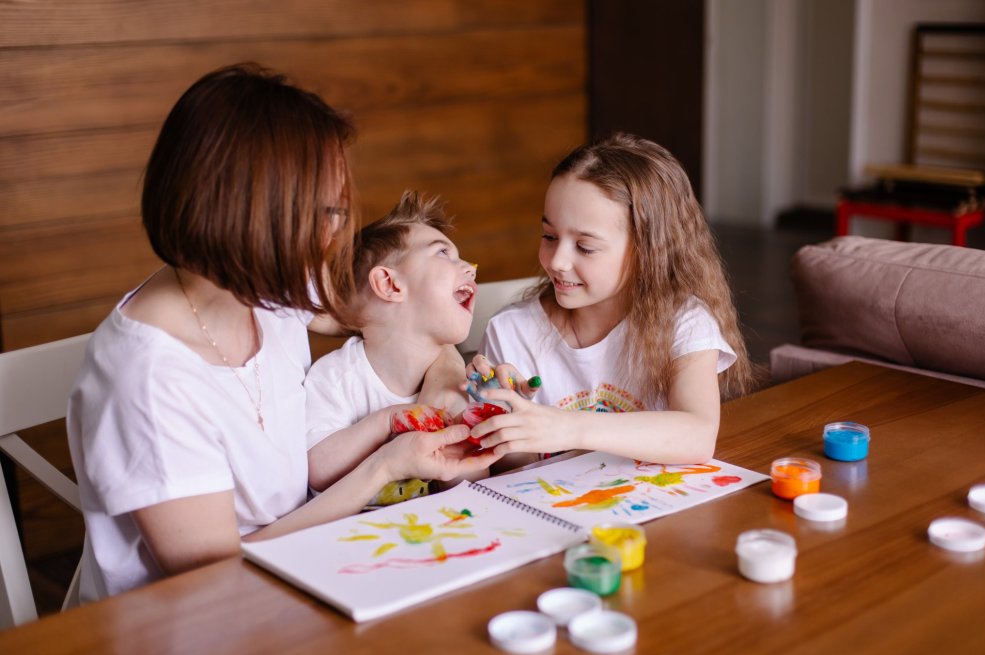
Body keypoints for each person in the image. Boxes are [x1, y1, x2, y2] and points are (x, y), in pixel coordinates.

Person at [66, 63, 494, 602]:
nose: (337, 233)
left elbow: (410, 319)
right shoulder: (148, 379)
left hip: (312, 569)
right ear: (254, 218)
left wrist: (445, 376)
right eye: (327, 212)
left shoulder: (266, 288)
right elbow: (215, 579)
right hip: (202, 617)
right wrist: (387, 462)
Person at [465, 133, 753, 467]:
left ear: (649, 251)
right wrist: (509, 420)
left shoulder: (684, 322)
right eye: (549, 236)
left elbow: (698, 436)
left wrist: (567, 427)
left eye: (585, 246)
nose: (557, 261)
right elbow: (513, 471)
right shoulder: (511, 331)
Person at [305, 190, 482, 507]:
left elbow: (473, 488)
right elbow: (315, 468)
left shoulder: (461, 384)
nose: (470, 267)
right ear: (389, 284)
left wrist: (473, 438)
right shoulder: (335, 377)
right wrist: (387, 422)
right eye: (443, 253)